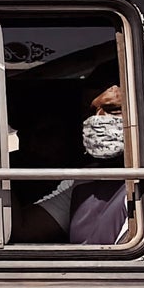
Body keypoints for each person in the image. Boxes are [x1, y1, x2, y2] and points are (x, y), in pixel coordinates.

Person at [20, 74, 131, 245]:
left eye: (113, 110)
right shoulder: (84, 182)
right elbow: (23, 229)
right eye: (91, 111)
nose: (98, 118)